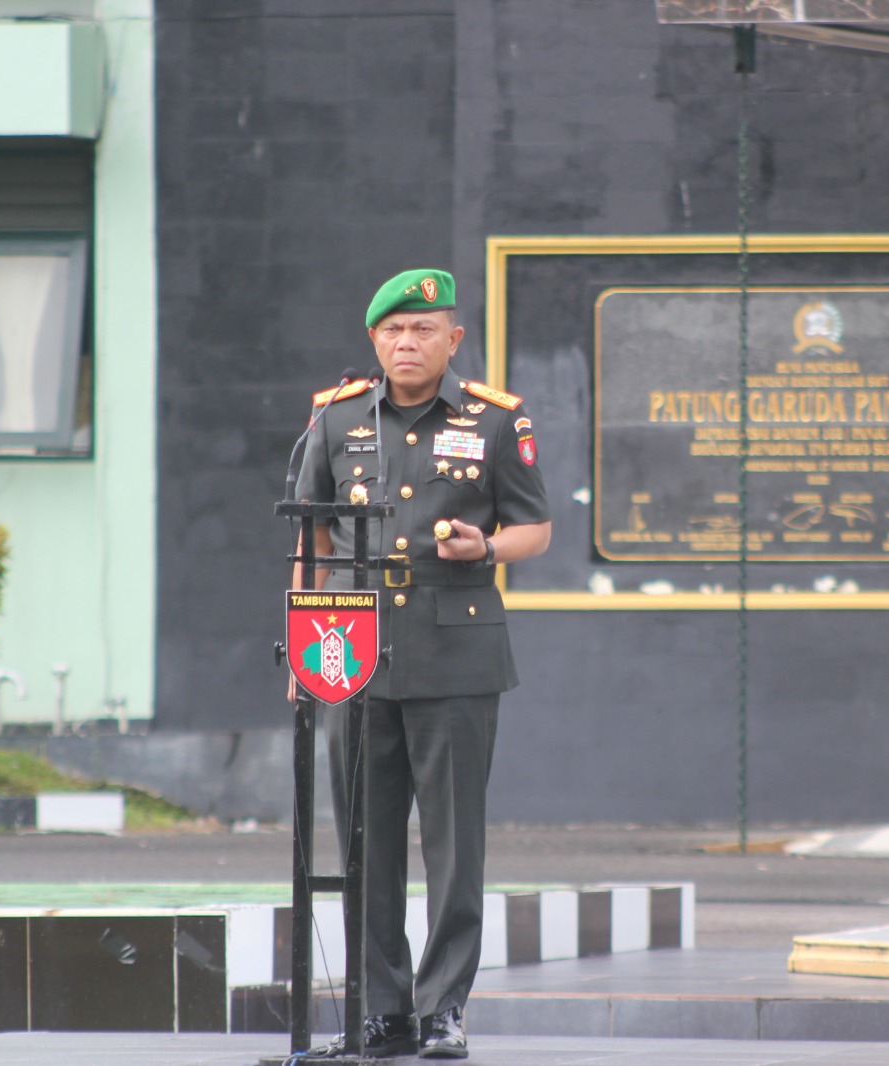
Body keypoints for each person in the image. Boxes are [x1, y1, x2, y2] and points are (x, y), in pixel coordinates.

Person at [295, 268, 552, 1059]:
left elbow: (534, 529)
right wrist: (309, 653)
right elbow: (311, 541)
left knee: (452, 843)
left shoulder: (496, 421)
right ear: (375, 340)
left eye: (423, 330)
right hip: (356, 657)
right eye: (393, 332)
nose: (407, 343)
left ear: (452, 340)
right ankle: (381, 1007)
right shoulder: (336, 422)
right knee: (364, 840)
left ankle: (444, 1008)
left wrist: (486, 547)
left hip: (456, 653)